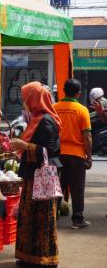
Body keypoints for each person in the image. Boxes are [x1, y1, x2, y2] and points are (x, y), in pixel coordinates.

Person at [10, 82, 61, 267]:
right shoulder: (36, 118)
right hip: (32, 175)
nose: (24, 101)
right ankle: (27, 256)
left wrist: (25, 147)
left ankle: (43, 258)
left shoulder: (46, 121)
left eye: (26, 97)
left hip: (42, 178)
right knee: (28, 218)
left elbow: (52, 150)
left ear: (34, 99)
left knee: (42, 219)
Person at [54, 79, 92, 229]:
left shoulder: (54, 107)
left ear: (63, 91)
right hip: (76, 155)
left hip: (57, 154)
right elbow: (87, 136)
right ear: (79, 93)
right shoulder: (82, 110)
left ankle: (52, 217)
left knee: (57, 187)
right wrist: (89, 157)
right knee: (77, 188)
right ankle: (77, 219)